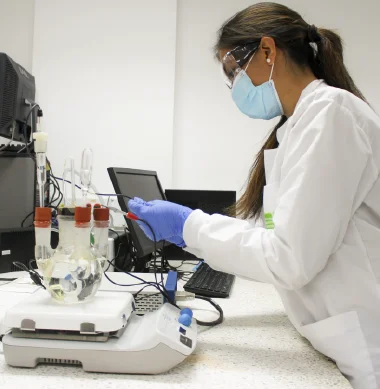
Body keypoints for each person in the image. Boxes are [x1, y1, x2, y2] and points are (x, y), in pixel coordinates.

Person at [128, 3, 380, 388]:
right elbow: (276, 231)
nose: (235, 87)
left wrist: (187, 226)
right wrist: (192, 228)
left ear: (267, 50)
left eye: (233, 70)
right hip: (331, 333)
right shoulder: (298, 126)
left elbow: (290, 257)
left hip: (363, 343)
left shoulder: (332, 113)